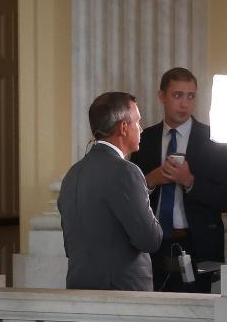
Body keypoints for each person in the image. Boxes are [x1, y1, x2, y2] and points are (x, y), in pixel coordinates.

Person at [132, 67, 227, 293]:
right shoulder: (144, 139)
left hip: (197, 244)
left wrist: (190, 181)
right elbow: (129, 195)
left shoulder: (214, 141)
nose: (185, 104)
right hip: (154, 244)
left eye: (191, 96)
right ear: (162, 96)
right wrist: (150, 180)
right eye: (177, 95)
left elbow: (226, 200)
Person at [58, 92, 163, 291]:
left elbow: (70, 246)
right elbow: (150, 239)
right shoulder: (126, 172)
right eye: (137, 122)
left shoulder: (72, 174)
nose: (140, 129)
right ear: (124, 127)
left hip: (78, 291)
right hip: (122, 294)